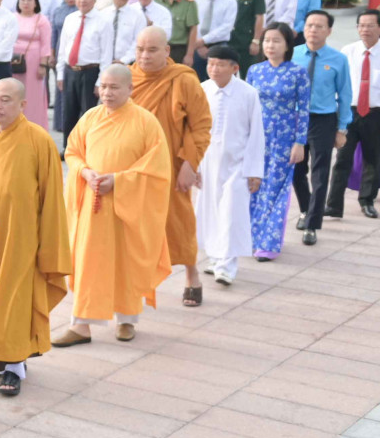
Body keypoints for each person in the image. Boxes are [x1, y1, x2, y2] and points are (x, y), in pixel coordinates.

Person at [0, 78, 70, 396]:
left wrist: (48, 244)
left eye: (5, 99)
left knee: (14, 301)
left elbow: (51, 197)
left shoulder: (39, 140)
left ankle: (14, 366)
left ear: (22, 104)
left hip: (21, 239)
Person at [53, 64, 171, 345]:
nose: (107, 92)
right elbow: (72, 151)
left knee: (125, 262)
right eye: (103, 86)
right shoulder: (91, 117)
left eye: (114, 87)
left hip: (128, 207)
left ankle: (127, 319)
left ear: (130, 89)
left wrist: (118, 181)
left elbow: (156, 168)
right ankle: (81, 325)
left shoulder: (146, 122)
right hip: (93, 206)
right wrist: (84, 172)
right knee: (88, 262)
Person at [129, 26, 212, 307]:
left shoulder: (183, 79)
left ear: (167, 51)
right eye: (140, 49)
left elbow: (200, 124)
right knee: (134, 226)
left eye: (152, 50)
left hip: (172, 165)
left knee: (178, 222)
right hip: (133, 167)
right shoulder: (127, 78)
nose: (144, 56)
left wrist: (190, 162)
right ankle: (136, 282)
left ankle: (191, 274)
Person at [196, 45, 267, 286]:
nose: (213, 69)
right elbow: (192, 129)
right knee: (210, 212)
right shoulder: (201, 90)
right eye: (210, 63)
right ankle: (215, 258)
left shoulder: (248, 93)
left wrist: (254, 170)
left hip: (237, 164)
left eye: (219, 64)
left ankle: (227, 266)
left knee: (231, 212)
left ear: (234, 68)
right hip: (207, 162)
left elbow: (256, 133)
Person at [327, 9, 380, 221]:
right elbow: (339, 84)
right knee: (342, 158)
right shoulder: (347, 51)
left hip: (377, 113)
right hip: (350, 112)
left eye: (370, 25)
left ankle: (367, 200)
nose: (365, 30)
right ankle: (333, 204)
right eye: (361, 25)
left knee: (373, 158)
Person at [247, 24, 309, 261]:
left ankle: (269, 243)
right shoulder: (254, 70)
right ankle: (251, 237)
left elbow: (303, 110)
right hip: (256, 136)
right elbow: (248, 106)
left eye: (276, 41)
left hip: (284, 138)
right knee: (254, 186)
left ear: (287, 46)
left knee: (276, 188)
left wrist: (299, 142)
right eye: (267, 41)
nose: (270, 46)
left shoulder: (297, 73)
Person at [291, 10, 351, 247]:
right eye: (309, 25)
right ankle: (306, 209)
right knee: (296, 169)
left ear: (329, 31)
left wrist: (342, 128)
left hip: (323, 119)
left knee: (320, 171)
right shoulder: (293, 55)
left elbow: (345, 94)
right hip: (296, 119)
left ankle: (313, 224)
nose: (313, 30)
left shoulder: (338, 59)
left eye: (318, 26)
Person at [56, 0, 106, 138]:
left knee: (88, 113)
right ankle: (68, 147)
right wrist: (60, 74)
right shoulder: (70, 19)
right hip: (70, 70)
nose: (83, 0)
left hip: (90, 72)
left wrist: (100, 81)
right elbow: (62, 48)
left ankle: (86, 147)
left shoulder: (103, 21)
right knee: (68, 111)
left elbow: (106, 54)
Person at [11, 0, 54, 130]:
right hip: (14, 61)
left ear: (35, 3)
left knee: (32, 96)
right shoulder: (12, 18)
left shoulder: (41, 20)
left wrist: (43, 65)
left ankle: (34, 127)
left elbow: (46, 44)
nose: (26, 3)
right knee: (14, 93)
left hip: (34, 62)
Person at [225, 0, 268, 71]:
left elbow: (259, 17)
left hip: (246, 40)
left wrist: (256, 40)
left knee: (248, 73)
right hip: (228, 40)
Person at [195, 0, 236, 78]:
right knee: (197, 80)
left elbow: (226, 27)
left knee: (218, 79)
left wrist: (204, 40)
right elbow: (193, 24)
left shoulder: (230, 2)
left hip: (219, 45)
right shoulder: (195, 0)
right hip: (196, 46)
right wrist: (199, 45)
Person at [155, 0, 198, 67]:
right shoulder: (156, 1)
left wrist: (189, 54)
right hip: (159, 47)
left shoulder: (188, 3)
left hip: (179, 49)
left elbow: (193, 29)